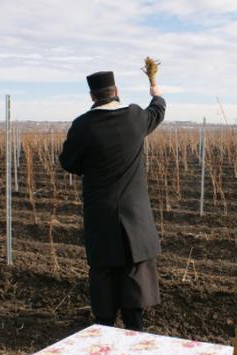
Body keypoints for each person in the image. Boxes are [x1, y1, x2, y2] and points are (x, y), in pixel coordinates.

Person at [59, 70, 165, 331]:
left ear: (92, 96)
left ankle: (104, 325)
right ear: (116, 90)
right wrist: (157, 93)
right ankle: (134, 325)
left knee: (104, 269)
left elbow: (68, 162)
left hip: (100, 211)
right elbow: (158, 111)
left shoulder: (83, 125)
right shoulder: (135, 117)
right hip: (134, 214)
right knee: (133, 268)